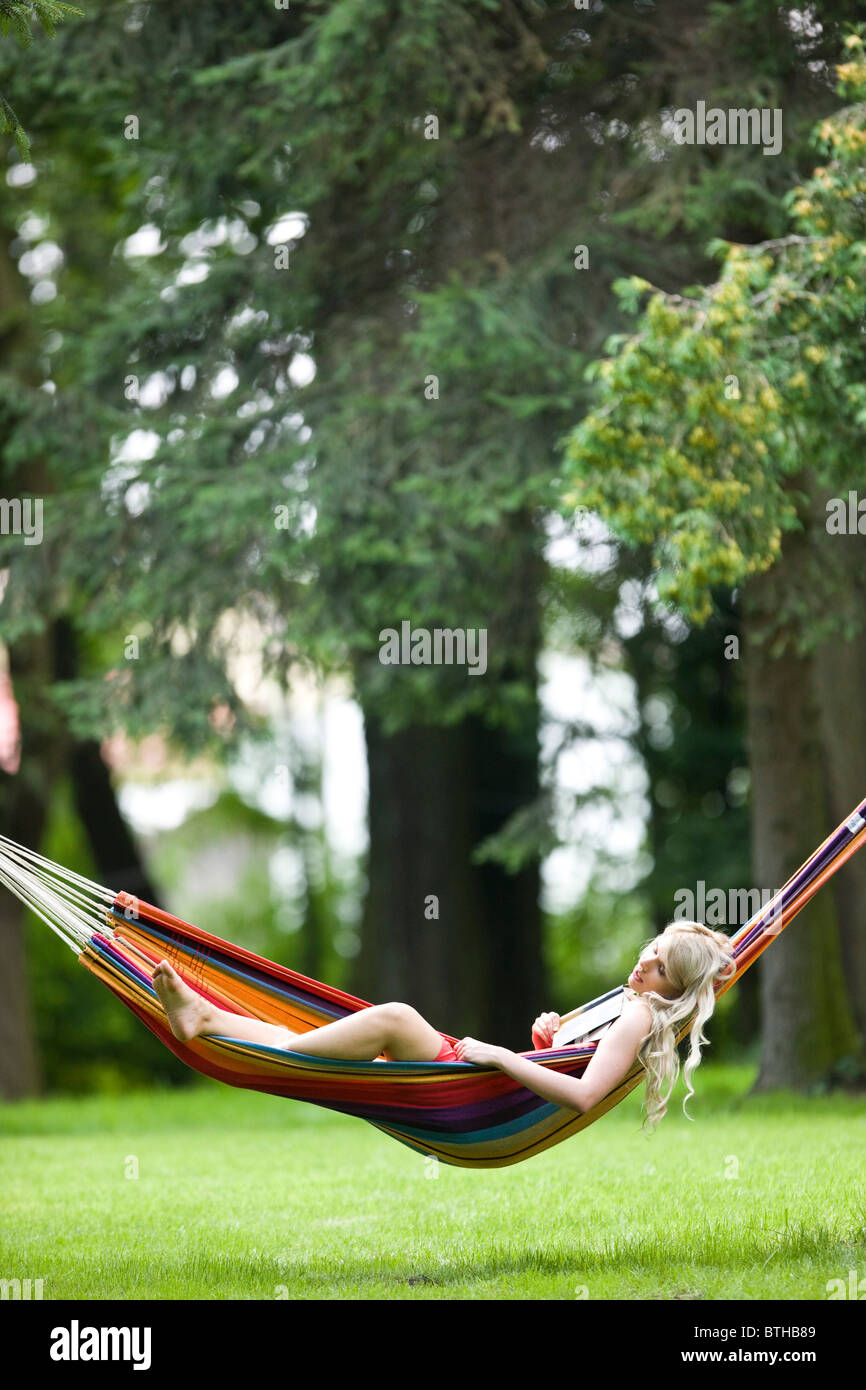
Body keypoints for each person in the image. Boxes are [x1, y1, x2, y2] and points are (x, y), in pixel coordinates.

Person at [151, 919, 735, 1132]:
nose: (644, 962)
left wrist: (504, 1057)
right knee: (311, 1047)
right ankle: (205, 1018)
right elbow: (571, 1065)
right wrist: (545, 1042)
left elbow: (583, 1097)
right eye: (651, 949)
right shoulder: (636, 1010)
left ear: (675, 988)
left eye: (658, 966)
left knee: (395, 1018)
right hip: (478, 1089)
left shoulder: (639, 1015)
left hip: (474, 1088)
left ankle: (209, 1020)